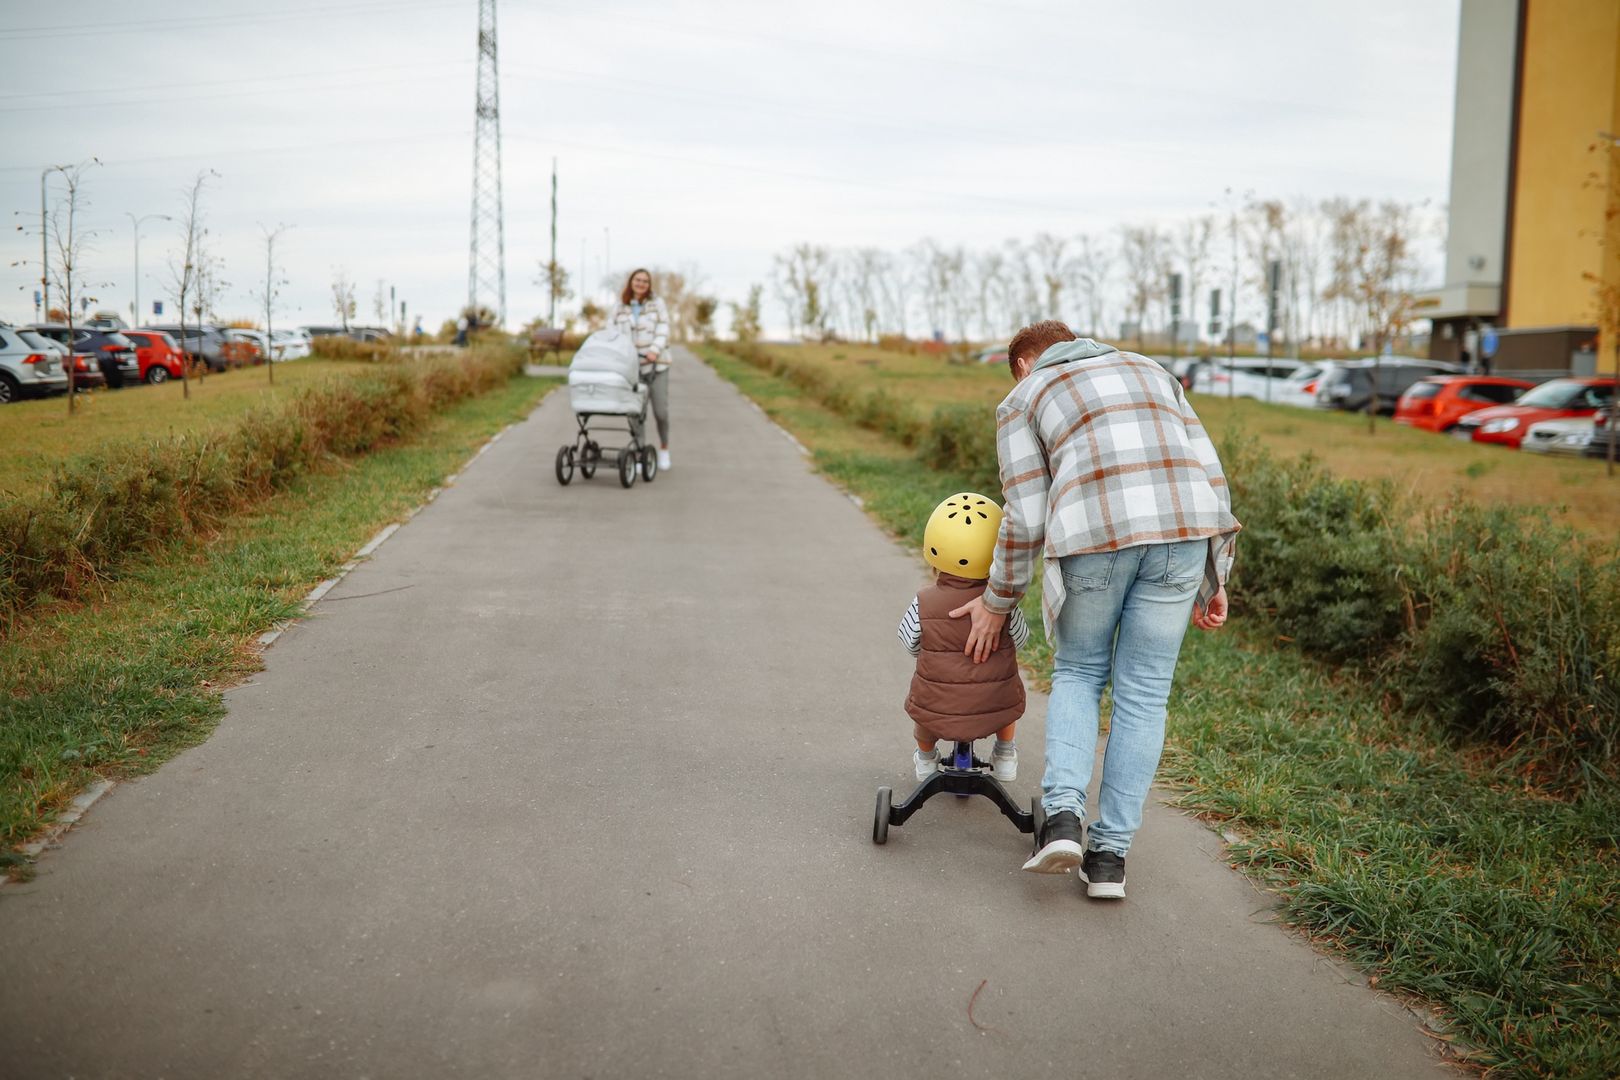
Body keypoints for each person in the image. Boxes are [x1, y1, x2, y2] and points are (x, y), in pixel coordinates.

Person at [950, 321, 1240, 900]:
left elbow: (1026, 515)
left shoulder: (1024, 395)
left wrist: (995, 601)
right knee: (1146, 693)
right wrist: (1218, 574)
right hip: (1184, 537)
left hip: (1094, 539)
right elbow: (1210, 474)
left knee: (1080, 673)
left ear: (1025, 363)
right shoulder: (1153, 371)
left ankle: (1060, 822)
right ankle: (1109, 860)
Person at [897, 493, 1031, 783]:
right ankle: (1005, 754)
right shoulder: (1003, 607)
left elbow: (909, 641)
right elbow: (1020, 640)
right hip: (992, 704)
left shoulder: (924, 602)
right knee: (1007, 707)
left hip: (938, 706)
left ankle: (926, 759)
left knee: (924, 716)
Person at [611, 268, 672, 471]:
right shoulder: (620, 306)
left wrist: (654, 350)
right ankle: (639, 453)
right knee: (636, 412)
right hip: (632, 368)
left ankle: (664, 448)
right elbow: (611, 331)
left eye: (645, 281)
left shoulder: (657, 304)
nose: (641, 283)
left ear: (649, 284)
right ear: (631, 282)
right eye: (638, 280)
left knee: (660, 412)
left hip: (657, 365)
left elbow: (663, 328)